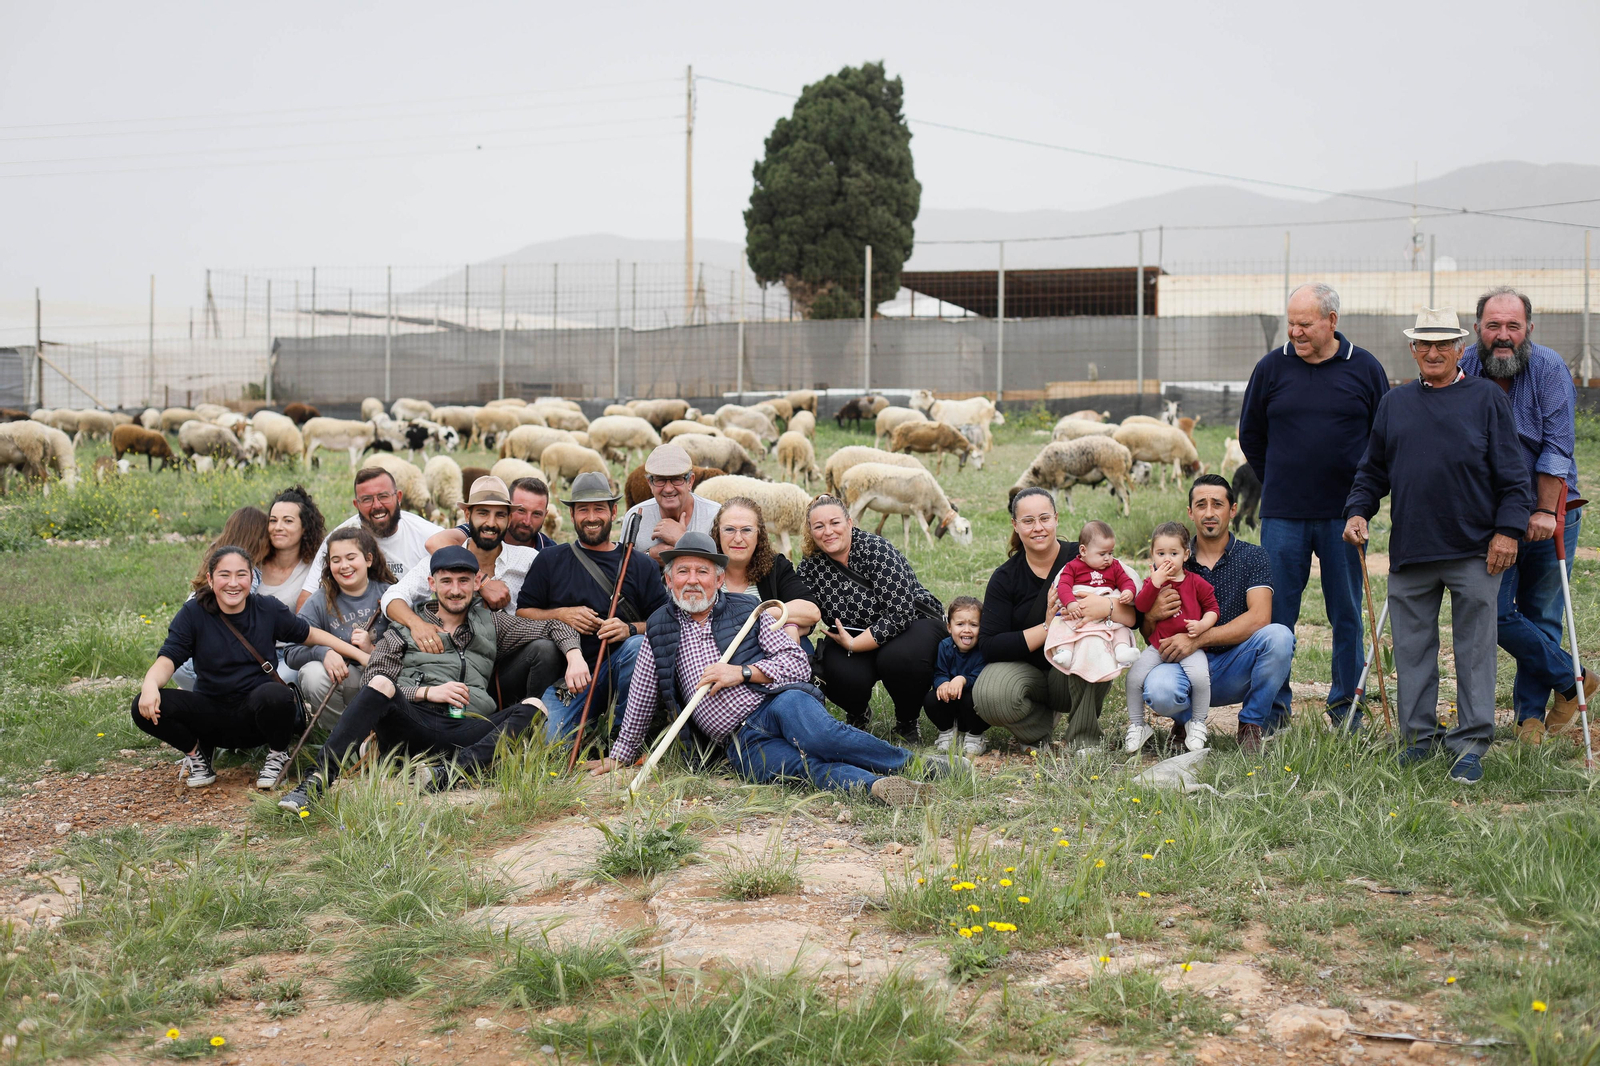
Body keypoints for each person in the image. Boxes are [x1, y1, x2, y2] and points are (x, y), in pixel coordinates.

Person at [591, 532, 935, 806]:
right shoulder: (659, 627)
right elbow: (641, 696)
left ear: (719, 578)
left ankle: (919, 766)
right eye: (682, 571)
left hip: (777, 703)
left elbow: (797, 664)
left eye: (702, 571)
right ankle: (879, 787)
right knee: (802, 768)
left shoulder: (748, 610)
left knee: (823, 738)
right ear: (668, 581)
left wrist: (741, 673)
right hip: (739, 741)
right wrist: (620, 755)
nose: (692, 580)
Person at [1344, 308, 1533, 784]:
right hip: (1412, 549)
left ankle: (1470, 745)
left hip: (1476, 550)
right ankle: (1417, 739)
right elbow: (1372, 471)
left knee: (1473, 652)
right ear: (1412, 350)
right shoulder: (1395, 403)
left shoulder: (1487, 399)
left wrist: (1508, 531)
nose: (1432, 352)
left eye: (1442, 344)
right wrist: (1357, 510)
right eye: (1424, 345)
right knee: (1411, 650)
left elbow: (1514, 477)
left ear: (1459, 349)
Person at [278, 546, 587, 810]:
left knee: (534, 706)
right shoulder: (405, 627)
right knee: (382, 684)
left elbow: (553, 628)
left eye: (464, 581)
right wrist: (427, 693)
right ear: (432, 583)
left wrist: (574, 656)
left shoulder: (493, 623)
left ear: (477, 582)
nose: (455, 589)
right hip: (414, 723)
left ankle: (445, 774)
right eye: (447, 581)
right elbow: (371, 678)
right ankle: (315, 783)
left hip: (470, 727)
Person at [1238, 282, 1389, 730]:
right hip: (1283, 515)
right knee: (1277, 614)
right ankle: (1274, 710)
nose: (1296, 333)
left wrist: (1363, 497)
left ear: (1332, 321)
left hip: (1346, 515)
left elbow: (1382, 439)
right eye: (1291, 324)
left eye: (1305, 324)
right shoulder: (1271, 368)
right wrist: (1281, 480)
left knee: (1345, 611)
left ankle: (1346, 709)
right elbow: (1251, 435)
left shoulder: (1364, 368)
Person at [1460, 287, 1591, 744]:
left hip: (1550, 509)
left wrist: (1541, 510)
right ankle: (1574, 678)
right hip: (1492, 515)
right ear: (1478, 328)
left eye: (1512, 326)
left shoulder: (1549, 367)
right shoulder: (1464, 367)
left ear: (1528, 330)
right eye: (1493, 326)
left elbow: (1557, 447)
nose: (1502, 336)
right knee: (1494, 611)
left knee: (1543, 613)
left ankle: (1529, 719)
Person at [134, 544, 370, 791]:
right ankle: (197, 756)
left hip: (258, 718)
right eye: (224, 575)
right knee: (141, 705)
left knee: (277, 694)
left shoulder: (267, 608)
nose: (233, 583)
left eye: (241, 575)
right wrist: (150, 685)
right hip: (210, 715)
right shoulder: (194, 613)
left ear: (252, 578)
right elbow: (169, 658)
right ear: (210, 579)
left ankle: (278, 755)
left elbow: (310, 634)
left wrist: (360, 656)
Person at [1140, 475, 1296, 754]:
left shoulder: (1253, 556)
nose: (1209, 513)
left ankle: (1250, 726)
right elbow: (1147, 632)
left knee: (1279, 637)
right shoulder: (1171, 559)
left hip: (1234, 665)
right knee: (1160, 691)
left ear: (1232, 510)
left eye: (1217, 504)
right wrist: (1151, 614)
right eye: (1201, 505)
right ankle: (1184, 722)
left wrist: (1197, 639)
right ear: (1190, 512)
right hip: (1181, 665)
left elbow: (1260, 618)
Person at [973, 488, 1134, 753]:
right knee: (990, 694)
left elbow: (1133, 614)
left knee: (1092, 645)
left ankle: (1085, 741)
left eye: (1044, 518)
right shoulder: (1005, 578)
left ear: (1057, 519)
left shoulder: (1088, 556)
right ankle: (1037, 732)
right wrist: (1048, 626)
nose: (1038, 528)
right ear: (1015, 525)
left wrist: (1104, 606)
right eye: (1028, 521)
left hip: (1072, 669)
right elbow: (990, 645)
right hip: (1028, 674)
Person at [515, 471, 669, 744]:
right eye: (582, 509)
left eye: (599, 509)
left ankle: (622, 737)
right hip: (573, 677)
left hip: (623, 667)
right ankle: (586, 730)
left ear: (613, 511)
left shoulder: (640, 564)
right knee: (548, 746)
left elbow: (664, 620)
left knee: (635, 646)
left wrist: (629, 628)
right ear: (572, 515)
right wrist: (561, 614)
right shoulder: (550, 560)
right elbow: (523, 612)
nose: (591, 517)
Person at [386, 476, 551, 705]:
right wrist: (417, 624)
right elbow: (392, 597)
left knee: (545, 650)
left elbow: (548, 605)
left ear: (509, 518)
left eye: (500, 515)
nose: (491, 523)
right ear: (467, 516)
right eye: (483, 513)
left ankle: (528, 722)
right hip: (451, 670)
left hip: (506, 667)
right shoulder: (443, 559)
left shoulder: (528, 560)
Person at [795, 495, 945, 740]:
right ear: (810, 531)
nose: (828, 532)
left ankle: (907, 721)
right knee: (831, 669)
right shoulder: (811, 565)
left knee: (898, 658)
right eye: (819, 526)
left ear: (850, 523)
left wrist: (856, 644)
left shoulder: (875, 549)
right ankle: (858, 712)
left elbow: (900, 612)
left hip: (911, 624)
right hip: (852, 633)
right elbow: (805, 608)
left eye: (835, 523)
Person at [284, 527, 394, 727]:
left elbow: (409, 647)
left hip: (387, 679)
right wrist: (322, 652)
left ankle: (383, 735)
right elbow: (291, 651)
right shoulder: (320, 600)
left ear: (368, 559)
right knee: (312, 674)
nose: (344, 566)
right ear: (328, 564)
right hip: (347, 681)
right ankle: (343, 738)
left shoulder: (389, 594)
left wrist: (372, 650)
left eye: (351, 557)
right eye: (336, 560)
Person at [1125, 523, 1218, 753]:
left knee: (1200, 678)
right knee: (1134, 678)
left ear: (1186, 554)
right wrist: (1155, 583)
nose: (1167, 559)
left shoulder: (1195, 582)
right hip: (1159, 645)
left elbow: (1213, 608)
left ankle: (1197, 723)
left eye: (1174, 553)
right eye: (1161, 554)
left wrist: (1202, 625)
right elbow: (1141, 605)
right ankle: (1137, 725)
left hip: (1190, 645)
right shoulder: (1153, 583)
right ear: (1152, 555)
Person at [295, 467, 443, 611]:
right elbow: (307, 599)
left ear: (398, 497)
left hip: (413, 626)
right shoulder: (338, 540)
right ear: (356, 505)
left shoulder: (428, 535)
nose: (377, 505)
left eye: (383, 496)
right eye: (367, 500)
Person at [172, 506, 271, 691]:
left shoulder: (214, 565)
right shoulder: (248, 573)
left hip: (183, 664)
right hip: (211, 666)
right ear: (259, 540)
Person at [710, 495, 821, 643]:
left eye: (746, 530)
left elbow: (811, 611)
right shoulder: (704, 568)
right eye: (729, 529)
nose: (738, 538)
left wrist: (763, 613)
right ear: (717, 533)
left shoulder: (774, 566)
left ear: (759, 534)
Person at [1043, 520, 1138, 677]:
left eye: (1111, 553)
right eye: (1102, 554)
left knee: (1120, 628)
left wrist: (1128, 590)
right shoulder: (1073, 567)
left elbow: (1125, 580)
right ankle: (1065, 652)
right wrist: (1071, 603)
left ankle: (1122, 650)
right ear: (1083, 550)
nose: (1108, 558)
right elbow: (1064, 586)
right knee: (1064, 624)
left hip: (1105, 610)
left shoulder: (1114, 567)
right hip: (1079, 608)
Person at [621, 443, 720, 562]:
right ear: (650, 484)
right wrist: (648, 556)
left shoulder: (715, 516)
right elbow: (622, 568)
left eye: (676, 479)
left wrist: (683, 540)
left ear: (690, 482)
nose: (668, 489)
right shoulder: (635, 517)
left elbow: (727, 568)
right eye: (660, 480)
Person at [426, 475, 557, 553]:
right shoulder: (485, 532)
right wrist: (481, 580)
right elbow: (435, 542)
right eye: (521, 511)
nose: (527, 521)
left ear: (545, 515)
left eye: (536, 514)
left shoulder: (549, 551)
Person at [926, 597, 988, 755]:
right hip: (951, 704)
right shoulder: (945, 647)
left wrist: (962, 679)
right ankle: (947, 732)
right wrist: (943, 683)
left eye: (973, 625)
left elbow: (980, 678)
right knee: (932, 699)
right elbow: (939, 672)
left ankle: (975, 736)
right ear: (949, 627)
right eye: (960, 624)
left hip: (973, 706)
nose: (967, 630)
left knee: (974, 699)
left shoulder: (983, 650)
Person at [259, 486, 326, 611]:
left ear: (305, 527)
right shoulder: (255, 563)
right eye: (273, 520)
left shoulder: (316, 568)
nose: (278, 527)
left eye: (288, 521)